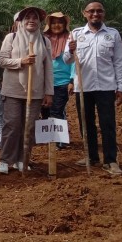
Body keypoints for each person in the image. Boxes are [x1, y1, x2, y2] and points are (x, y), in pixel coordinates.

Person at [64, 0, 122, 175]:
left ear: (103, 13)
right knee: (86, 123)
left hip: (106, 86)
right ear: (85, 13)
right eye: (91, 11)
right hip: (83, 87)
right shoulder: (76, 34)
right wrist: (70, 49)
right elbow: (66, 60)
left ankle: (111, 160)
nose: (95, 14)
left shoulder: (112, 34)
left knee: (108, 124)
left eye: (99, 11)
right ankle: (91, 156)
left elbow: (119, 63)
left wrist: (120, 87)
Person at [0, 7, 53, 174]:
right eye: (27, 17)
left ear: (39, 22)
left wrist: (49, 92)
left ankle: (22, 159)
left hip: (35, 90)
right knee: (12, 124)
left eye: (35, 18)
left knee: (29, 126)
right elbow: (2, 60)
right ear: (20, 21)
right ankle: (5, 159)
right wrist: (21, 61)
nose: (31, 20)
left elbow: (48, 68)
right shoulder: (11, 37)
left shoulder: (44, 41)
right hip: (13, 89)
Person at [41, 12, 74, 149]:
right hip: (44, 82)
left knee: (57, 110)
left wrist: (72, 80)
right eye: (53, 23)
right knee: (45, 110)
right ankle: (49, 138)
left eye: (60, 22)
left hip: (63, 82)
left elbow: (73, 61)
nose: (56, 25)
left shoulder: (70, 39)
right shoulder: (43, 39)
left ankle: (59, 140)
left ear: (65, 25)